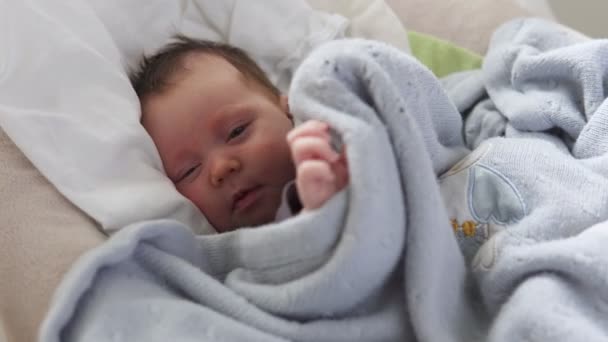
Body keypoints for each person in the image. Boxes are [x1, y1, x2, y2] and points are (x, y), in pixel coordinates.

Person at [130, 35, 348, 233]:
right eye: (190, 171)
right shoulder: (221, 261)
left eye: (237, 131)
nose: (220, 168)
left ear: (287, 108)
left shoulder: (336, 137)